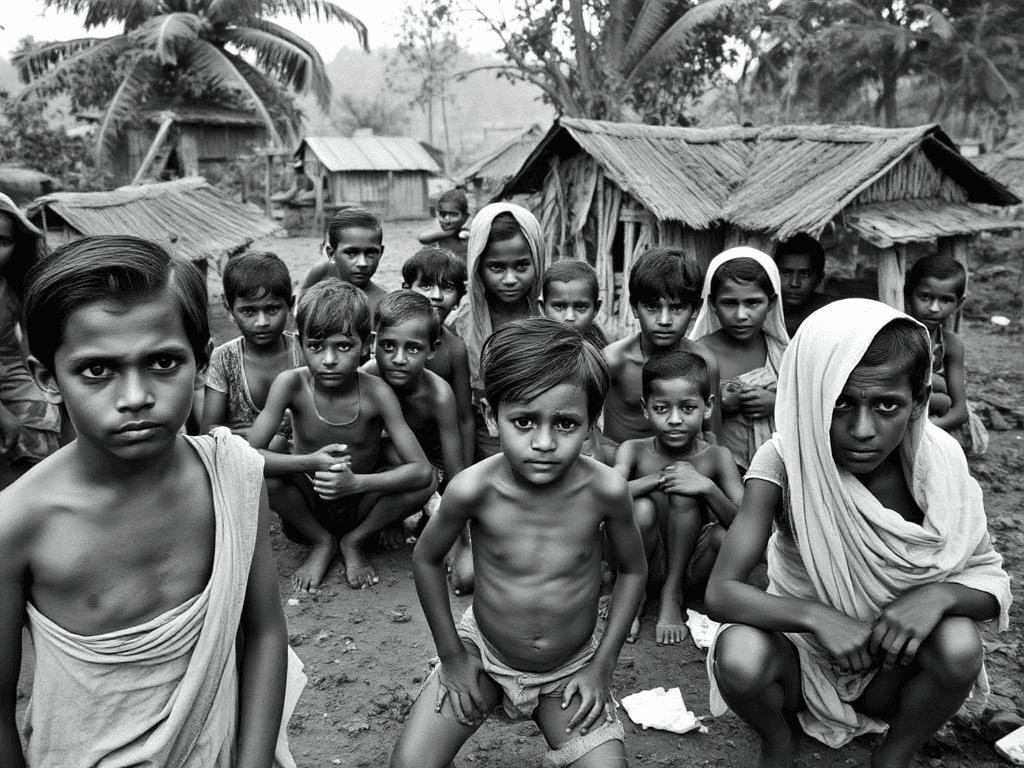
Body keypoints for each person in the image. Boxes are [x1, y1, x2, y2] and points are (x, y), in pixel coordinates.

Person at [1, 235, 296, 767]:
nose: (135, 397)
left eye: (163, 362)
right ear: (47, 378)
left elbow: (266, 634)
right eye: (97, 370)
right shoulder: (17, 523)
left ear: (201, 361)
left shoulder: (233, 475)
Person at [705, 299, 1011, 768]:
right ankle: (778, 739)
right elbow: (721, 593)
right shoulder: (786, 460)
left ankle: (896, 752)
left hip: (892, 666)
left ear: (919, 400)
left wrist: (940, 596)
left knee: (959, 644)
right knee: (738, 654)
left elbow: (990, 580)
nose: (863, 429)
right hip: (800, 661)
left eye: (887, 405)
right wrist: (817, 617)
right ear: (810, 396)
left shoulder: (940, 463)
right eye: (840, 403)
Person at [389, 318, 647, 768]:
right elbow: (426, 559)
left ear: (592, 423)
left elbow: (633, 569)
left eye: (565, 423)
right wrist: (453, 657)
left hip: (570, 668)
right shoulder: (473, 489)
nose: (544, 442)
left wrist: (601, 666)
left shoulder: (605, 490)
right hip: (484, 655)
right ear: (492, 417)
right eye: (524, 421)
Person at [249, 279, 434, 592]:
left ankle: (354, 541)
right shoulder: (290, 384)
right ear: (299, 343)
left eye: (344, 346)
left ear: (366, 344)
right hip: (308, 506)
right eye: (316, 346)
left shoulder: (377, 393)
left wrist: (357, 483)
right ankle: (322, 541)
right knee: (265, 476)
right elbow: (248, 456)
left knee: (426, 484)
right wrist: (310, 462)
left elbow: (422, 471)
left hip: (362, 506)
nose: (329, 359)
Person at [614, 352, 743, 645]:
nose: (674, 420)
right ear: (645, 409)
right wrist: (659, 479)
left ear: (708, 407)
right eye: (661, 408)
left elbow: (745, 524)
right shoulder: (632, 449)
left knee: (714, 526)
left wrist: (706, 487)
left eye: (687, 408)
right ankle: (634, 593)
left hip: (691, 569)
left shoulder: (717, 456)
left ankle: (671, 595)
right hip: (642, 562)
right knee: (642, 507)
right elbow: (606, 496)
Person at [603, 246, 719, 454]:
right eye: (652, 307)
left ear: (695, 309)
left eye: (677, 308)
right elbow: (586, 430)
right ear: (634, 307)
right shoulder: (614, 361)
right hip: (619, 466)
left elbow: (712, 435)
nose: (664, 320)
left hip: (683, 466)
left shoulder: (704, 362)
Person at [450, 202, 543, 461]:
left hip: (545, 436)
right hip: (486, 439)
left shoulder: (551, 316)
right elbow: (462, 411)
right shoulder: (461, 324)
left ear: (538, 260)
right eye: (497, 268)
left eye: (522, 266)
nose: (510, 279)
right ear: (477, 267)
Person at [692, 247, 789, 471]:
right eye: (729, 303)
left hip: (776, 473)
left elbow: (810, 410)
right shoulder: (696, 355)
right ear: (712, 304)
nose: (741, 315)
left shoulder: (784, 354)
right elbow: (673, 411)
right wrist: (717, 407)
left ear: (772, 302)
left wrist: (777, 404)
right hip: (714, 472)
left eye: (753, 303)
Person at [362, 290, 465, 484]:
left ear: (432, 350)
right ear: (374, 343)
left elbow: (454, 468)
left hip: (427, 471)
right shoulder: (368, 376)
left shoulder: (438, 395)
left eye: (413, 348)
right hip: (377, 463)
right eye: (388, 345)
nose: (399, 359)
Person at [202, 251, 302, 446]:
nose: (262, 322)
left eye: (272, 309)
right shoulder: (224, 358)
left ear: (290, 304)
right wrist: (269, 439)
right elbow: (209, 431)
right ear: (228, 308)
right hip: (242, 459)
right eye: (248, 311)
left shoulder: (304, 352)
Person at [0, 192, 61, 475]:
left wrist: (46, 384)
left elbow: (27, 346)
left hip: (9, 369)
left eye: (3, 242)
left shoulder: (15, 285)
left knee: (46, 412)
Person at [402, 246, 474, 466]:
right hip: (391, 448)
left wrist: (466, 473)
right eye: (425, 285)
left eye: (447, 288)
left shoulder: (454, 349)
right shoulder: (391, 337)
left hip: (438, 452)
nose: (436, 296)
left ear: (459, 298)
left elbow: (464, 418)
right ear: (406, 289)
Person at [298, 207, 388, 311]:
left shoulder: (386, 306)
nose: (362, 263)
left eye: (371, 253)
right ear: (331, 254)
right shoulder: (315, 301)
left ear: (381, 253)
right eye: (351, 253)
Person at [539, 259, 608, 349]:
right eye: (559, 306)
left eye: (581, 307)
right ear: (542, 307)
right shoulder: (529, 348)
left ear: (596, 308)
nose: (570, 317)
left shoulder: (602, 352)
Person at [773, 233, 833, 337]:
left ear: (819, 279)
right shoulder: (762, 313)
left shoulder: (831, 313)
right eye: (786, 273)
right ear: (773, 273)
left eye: (805, 275)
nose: (794, 283)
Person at [417, 188, 470, 261]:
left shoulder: (467, 237)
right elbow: (422, 238)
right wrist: (451, 232)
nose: (446, 220)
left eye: (453, 215)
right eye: (442, 214)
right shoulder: (440, 237)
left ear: (465, 217)